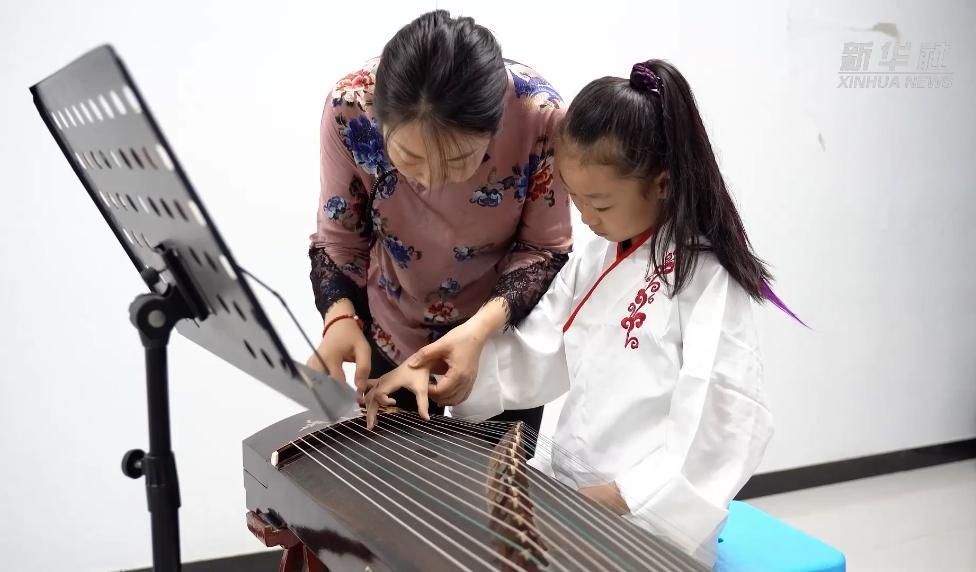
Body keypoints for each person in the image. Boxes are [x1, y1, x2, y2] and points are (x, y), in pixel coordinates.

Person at [366, 59, 794, 565]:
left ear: (662, 183)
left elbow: (724, 418)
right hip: (576, 491)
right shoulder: (598, 256)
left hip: (647, 519)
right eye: (577, 201)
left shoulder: (709, 277)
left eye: (601, 204)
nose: (587, 219)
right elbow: (540, 345)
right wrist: (440, 372)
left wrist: (618, 498)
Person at [308, 10, 572, 431]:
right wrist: (339, 319)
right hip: (393, 320)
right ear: (380, 119)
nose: (431, 180)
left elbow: (543, 248)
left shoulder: (540, 116)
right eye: (409, 157)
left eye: (458, 161)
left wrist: (478, 331)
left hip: (496, 331)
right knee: (390, 467)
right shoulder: (351, 109)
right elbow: (341, 238)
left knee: (494, 473)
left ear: (495, 126)